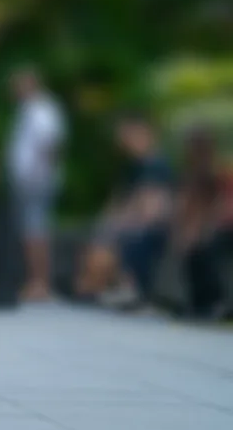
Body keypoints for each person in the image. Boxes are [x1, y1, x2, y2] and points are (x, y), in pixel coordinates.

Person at [74, 111, 175, 309]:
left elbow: (152, 211)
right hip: (129, 225)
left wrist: (119, 224)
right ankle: (97, 287)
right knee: (99, 240)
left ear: (145, 134)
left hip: (149, 228)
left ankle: (130, 288)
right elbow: (115, 204)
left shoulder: (156, 166)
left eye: (129, 135)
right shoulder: (131, 168)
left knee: (121, 240)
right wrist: (108, 223)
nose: (124, 142)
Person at [6, 67, 67, 301]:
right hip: (29, 180)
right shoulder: (28, 110)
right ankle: (35, 281)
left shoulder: (42, 110)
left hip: (36, 182)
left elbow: (49, 144)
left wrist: (36, 174)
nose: (16, 91)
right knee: (31, 231)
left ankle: (39, 283)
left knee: (35, 232)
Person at [171, 127, 233, 320]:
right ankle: (199, 303)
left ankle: (216, 301)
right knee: (193, 250)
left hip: (224, 226)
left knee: (208, 246)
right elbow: (192, 207)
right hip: (212, 225)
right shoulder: (192, 174)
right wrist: (188, 232)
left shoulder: (219, 171)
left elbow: (222, 205)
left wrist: (205, 229)